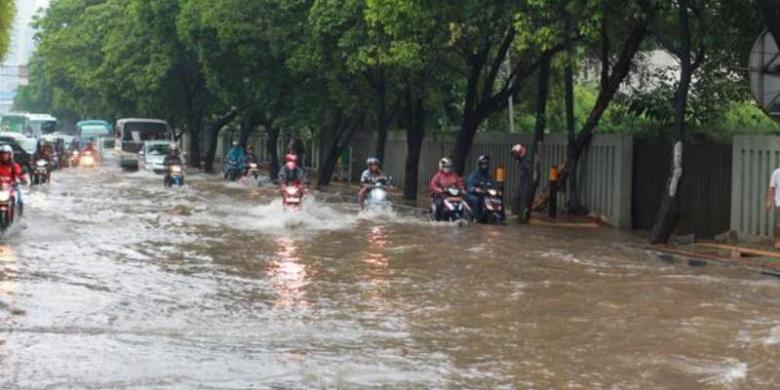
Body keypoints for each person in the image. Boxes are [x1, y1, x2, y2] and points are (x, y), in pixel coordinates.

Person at [466, 154, 498, 221]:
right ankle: (476, 217)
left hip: (486, 195)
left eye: (486, 164)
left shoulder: (489, 177)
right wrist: (475, 189)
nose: (485, 166)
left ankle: (499, 215)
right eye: (483, 164)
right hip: (475, 195)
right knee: (475, 200)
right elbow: (470, 187)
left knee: (496, 199)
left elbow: (492, 186)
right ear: (480, 164)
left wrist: (496, 191)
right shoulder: (474, 175)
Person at [0, 145, 27, 217]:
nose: (4, 155)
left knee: (20, 200)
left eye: (6, 154)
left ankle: (20, 217)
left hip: (11, 187)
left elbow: (19, 173)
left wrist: (23, 179)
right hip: (1, 187)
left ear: (10, 155)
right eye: (2, 153)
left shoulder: (14, 165)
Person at [766, 166, 780, 248]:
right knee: (779, 224)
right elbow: (771, 188)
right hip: (779, 202)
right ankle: (778, 241)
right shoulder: (776, 172)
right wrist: (769, 201)